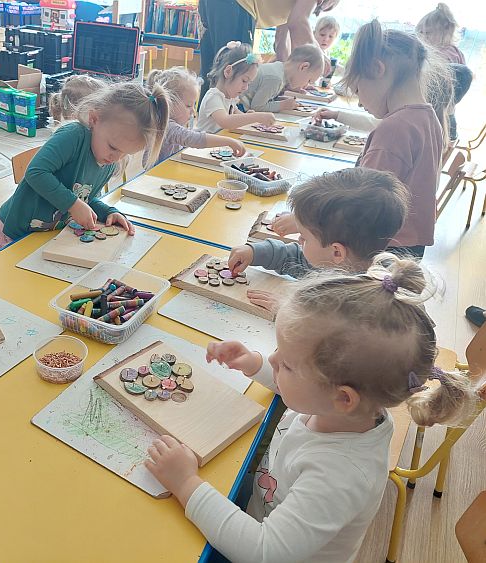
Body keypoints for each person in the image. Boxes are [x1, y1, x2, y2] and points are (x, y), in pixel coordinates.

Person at [146, 253, 475, 563]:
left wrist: (185, 482)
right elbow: (310, 394)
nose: (274, 358)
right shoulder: (349, 412)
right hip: (265, 507)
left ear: (344, 398)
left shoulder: (339, 475)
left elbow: (264, 550)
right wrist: (255, 364)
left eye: (287, 364)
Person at [301, 20, 453, 258]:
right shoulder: (428, 116)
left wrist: (304, 222)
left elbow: (361, 202)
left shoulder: (394, 129)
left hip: (381, 245)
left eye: (358, 90)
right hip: (410, 245)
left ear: (377, 69)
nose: (360, 103)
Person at [0, 81, 169, 249]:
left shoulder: (109, 161)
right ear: (94, 119)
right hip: (14, 232)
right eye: (113, 147)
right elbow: (35, 172)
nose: (116, 157)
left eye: (125, 153)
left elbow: (85, 197)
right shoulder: (74, 135)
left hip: (46, 236)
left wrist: (108, 212)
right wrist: (73, 204)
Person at [228, 168, 408, 312]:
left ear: (337, 252)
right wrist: (255, 252)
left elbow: (329, 336)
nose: (299, 240)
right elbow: (298, 259)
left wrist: (290, 311)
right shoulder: (339, 261)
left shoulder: (370, 305)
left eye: (304, 237)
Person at [198, 0, 341, 101]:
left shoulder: (288, 8)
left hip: (216, 5)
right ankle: (217, 128)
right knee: (235, 75)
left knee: (214, 71)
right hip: (236, 5)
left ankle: (203, 129)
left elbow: (281, 42)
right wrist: (319, 57)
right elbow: (299, 22)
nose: (317, 5)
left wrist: (287, 80)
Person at [146, 66, 246, 164]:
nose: (193, 112)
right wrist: (229, 141)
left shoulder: (176, 123)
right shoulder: (166, 126)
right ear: (169, 103)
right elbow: (194, 138)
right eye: (189, 106)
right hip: (159, 172)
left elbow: (189, 137)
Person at [416, 3, 472, 140]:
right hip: (447, 116)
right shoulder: (456, 53)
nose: (422, 37)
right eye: (420, 32)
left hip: (440, 118)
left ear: (446, 32)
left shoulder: (443, 56)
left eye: (427, 33)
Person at [196, 42, 275, 134]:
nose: (246, 88)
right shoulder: (213, 97)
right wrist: (257, 117)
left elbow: (236, 116)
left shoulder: (230, 98)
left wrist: (248, 117)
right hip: (204, 143)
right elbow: (226, 121)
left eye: (249, 83)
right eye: (244, 80)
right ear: (228, 72)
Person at [240, 44, 325, 113]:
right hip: (238, 107)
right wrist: (283, 105)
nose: (306, 85)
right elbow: (257, 107)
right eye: (309, 80)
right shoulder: (275, 79)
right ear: (303, 67)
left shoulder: (278, 68)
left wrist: (279, 100)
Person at [313, 15, 343, 84]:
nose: (326, 39)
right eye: (322, 35)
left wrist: (326, 82)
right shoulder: (312, 50)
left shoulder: (327, 53)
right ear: (314, 33)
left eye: (330, 36)